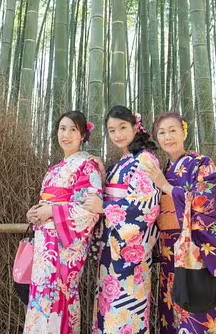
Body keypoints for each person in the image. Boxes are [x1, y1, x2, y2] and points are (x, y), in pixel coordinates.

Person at [143, 112, 216, 334]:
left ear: (184, 132)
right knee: (173, 311)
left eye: (173, 130)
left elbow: (208, 201)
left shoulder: (201, 163)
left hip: (197, 248)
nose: (168, 137)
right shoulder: (161, 169)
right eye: (162, 133)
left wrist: (167, 188)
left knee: (202, 312)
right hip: (170, 251)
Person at [83, 105, 161, 334]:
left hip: (130, 252)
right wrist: (104, 176)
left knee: (127, 314)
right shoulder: (123, 161)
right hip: (112, 249)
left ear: (136, 127)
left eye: (123, 127)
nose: (118, 134)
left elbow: (145, 207)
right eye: (112, 130)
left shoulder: (145, 159)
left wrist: (104, 206)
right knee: (109, 313)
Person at [23, 110, 103, 333]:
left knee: (59, 295)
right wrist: (36, 212)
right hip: (43, 244)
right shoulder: (53, 170)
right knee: (40, 298)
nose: (66, 135)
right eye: (62, 128)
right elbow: (46, 203)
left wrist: (51, 210)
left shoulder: (88, 166)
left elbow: (90, 209)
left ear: (83, 136)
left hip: (64, 247)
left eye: (73, 130)